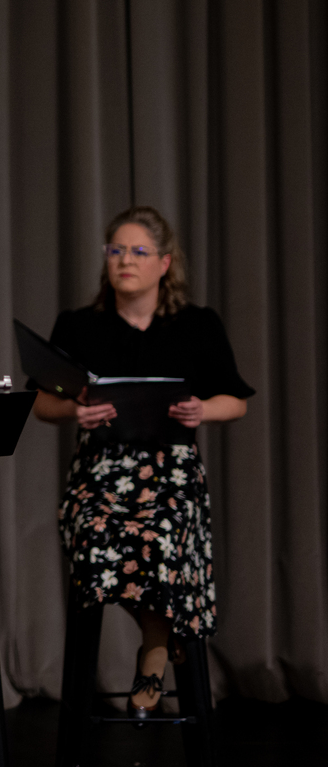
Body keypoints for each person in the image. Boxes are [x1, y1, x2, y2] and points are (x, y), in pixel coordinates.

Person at [32, 206, 250, 717]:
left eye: (137, 252)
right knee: (93, 538)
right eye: (115, 251)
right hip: (101, 473)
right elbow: (41, 404)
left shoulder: (196, 326)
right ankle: (163, 637)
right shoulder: (80, 326)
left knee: (162, 534)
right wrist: (75, 407)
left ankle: (153, 652)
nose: (124, 261)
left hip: (171, 473)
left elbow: (236, 401)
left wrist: (203, 410)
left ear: (164, 263)